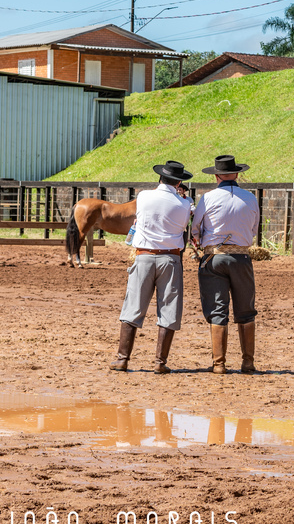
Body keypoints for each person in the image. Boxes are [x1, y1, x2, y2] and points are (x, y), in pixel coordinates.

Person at [109, 160, 194, 374]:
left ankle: (122, 359)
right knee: (169, 309)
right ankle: (159, 362)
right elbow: (184, 226)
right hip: (170, 259)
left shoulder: (144, 196)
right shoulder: (184, 204)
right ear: (179, 182)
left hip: (144, 256)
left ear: (160, 177)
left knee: (133, 306)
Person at [191, 155, 260, 374]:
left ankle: (219, 363)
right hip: (241, 256)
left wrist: (199, 243)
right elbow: (254, 229)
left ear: (216, 176)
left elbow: (195, 229)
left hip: (214, 256)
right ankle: (247, 362)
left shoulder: (208, 198)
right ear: (237, 174)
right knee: (246, 310)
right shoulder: (250, 198)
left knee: (217, 309)